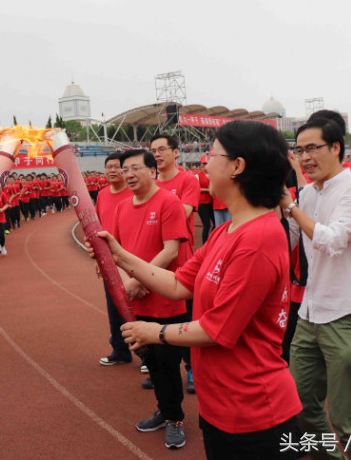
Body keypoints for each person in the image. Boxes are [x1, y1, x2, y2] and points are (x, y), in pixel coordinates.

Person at [91, 120, 301, 459]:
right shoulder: (225, 232)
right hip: (220, 405)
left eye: (212, 153)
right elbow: (176, 284)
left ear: (237, 166)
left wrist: (155, 332)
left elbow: (218, 330)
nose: (204, 162)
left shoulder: (258, 238)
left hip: (255, 411)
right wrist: (119, 254)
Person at [281, 111, 351, 459]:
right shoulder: (308, 194)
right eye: (298, 151)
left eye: (311, 148)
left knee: (350, 422)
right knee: (300, 407)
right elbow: (293, 240)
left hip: (350, 313)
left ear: (336, 147)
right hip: (311, 313)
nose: (304, 157)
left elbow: (331, 239)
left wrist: (291, 207)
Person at [110, 149, 189, 449]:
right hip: (135, 300)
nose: (128, 174)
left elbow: (171, 250)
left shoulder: (168, 202)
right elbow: (116, 251)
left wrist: (140, 280)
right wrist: (128, 284)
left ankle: (175, 418)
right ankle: (164, 409)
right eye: (124, 169)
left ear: (152, 171)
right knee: (150, 361)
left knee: (168, 363)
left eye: (135, 168)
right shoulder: (121, 208)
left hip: (165, 300)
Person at [150, 133, 200, 394]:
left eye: (162, 149)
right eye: (153, 151)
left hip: (181, 262)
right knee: (157, 319)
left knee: (185, 321)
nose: (157, 155)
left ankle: (192, 370)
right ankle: (161, 369)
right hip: (154, 262)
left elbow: (183, 213)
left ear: (176, 152)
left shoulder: (187, 181)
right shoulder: (150, 183)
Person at [95, 152, 133, 367]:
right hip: (109, 261)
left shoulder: (133, 193)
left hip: (132, 259)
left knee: (138, 306)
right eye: (108, 166)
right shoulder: (102, 195)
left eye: (117, 166)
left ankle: (148, 355)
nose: (112, 170)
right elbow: (98, 227)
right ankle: (120, 350)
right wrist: (97, 258)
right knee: (114, 307)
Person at [195, 156, 215, 245]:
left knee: (216, 224)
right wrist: (207, 190)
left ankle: (211, 241)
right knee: (206, 225)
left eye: (206, 163)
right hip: (202, 204)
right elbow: (195, 189)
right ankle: (205, 246)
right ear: (201, 165)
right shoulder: (197, 175)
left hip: (211, 203)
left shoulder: (212, 174)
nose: (205, 165)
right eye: (203, 163)